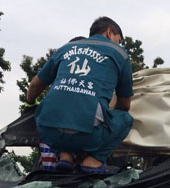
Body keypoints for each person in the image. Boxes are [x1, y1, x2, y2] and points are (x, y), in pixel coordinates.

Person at [26, 16, 134, 174]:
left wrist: (29, 104)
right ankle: (93, 161)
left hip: (48, 131)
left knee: (48, 113)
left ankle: (65, 157)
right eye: (118, 40)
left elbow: (35, 85)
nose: (118, 44)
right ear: (110, 32)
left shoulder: (67, 48)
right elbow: (124, 105)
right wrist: (106, 122)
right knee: (125, 120)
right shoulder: (119, 53)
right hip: (88, 134)